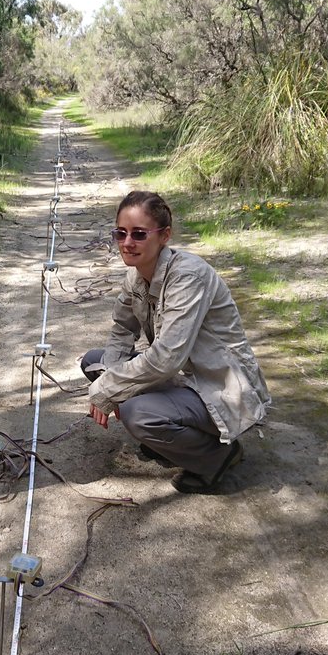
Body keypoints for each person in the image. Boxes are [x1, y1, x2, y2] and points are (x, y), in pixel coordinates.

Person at [82, 191, 270, 494]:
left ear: (164, 235)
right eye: (121, 233)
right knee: (96, 361)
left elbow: (166, 358)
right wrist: (109, 379)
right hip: (182, 379)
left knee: (137, 413)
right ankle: (172, 441)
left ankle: (219, 457)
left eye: (139, 234)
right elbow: (121, 331)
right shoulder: (136, 276)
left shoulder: (188, 276)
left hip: (219, 386)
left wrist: (108, 389)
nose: (127, 243)